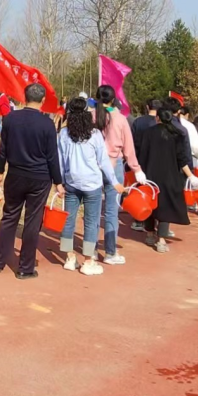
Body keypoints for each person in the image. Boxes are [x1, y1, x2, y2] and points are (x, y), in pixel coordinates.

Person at [0, 83, 60, 278]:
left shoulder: (11, 118)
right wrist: (58, 181)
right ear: (43, 100)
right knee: (32, 221)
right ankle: (25, 267)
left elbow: (3, 148)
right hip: (39, 177)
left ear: (24, 97)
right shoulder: (47, 124)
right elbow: (52, 156)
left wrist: (0, 169)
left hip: (15, 174)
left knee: (9, 216)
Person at [56, 97, 123, 276]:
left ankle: (70, 257)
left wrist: (59, 182)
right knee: (91, 222)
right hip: (92, 183)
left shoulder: (64, 134)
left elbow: (60, 160)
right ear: (87, 112)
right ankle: (88, 260)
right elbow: (103, 161)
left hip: (71, 182)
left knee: (68, 220)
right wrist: (114, 181)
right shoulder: (95, 134)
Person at [139, 106, 198, 252]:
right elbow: (182, 159)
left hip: (150, 174)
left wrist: (140, 172)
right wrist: (190, 175)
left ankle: (149, 234)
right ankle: (161, 241)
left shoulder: (148, 132)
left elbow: (143, 154)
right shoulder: (177, 134)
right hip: (170, 175)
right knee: (165, 206)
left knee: (150, 203)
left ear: (157, 118)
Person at [94, 85, 145, 266]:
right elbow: (128, 147)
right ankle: (110, 252)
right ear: (113, 99)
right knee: (111, 211)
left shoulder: (92, 116)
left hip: (93, 167)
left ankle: (91, 251)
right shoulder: (120, 118)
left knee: (93, 211)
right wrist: (136, 169)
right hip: (114, 166)